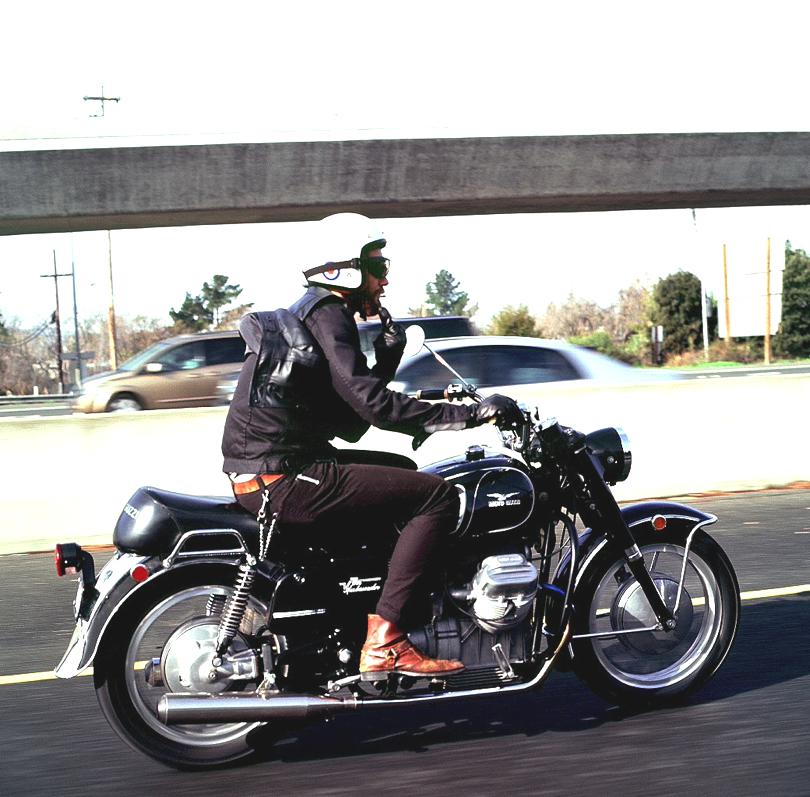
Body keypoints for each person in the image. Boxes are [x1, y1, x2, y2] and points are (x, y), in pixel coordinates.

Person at [221, 213, 523, 679]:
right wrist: (466, 416)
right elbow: (373, 407)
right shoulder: (329, 315)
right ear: (345, 269)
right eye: (376, 266)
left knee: (400, 467)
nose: (385, 278)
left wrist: (386, 359)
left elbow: (348, 422)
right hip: (283, 477)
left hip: (276, 468)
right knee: (438, 495)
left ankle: (374, 598)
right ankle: (386, 639)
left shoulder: (312, 312)